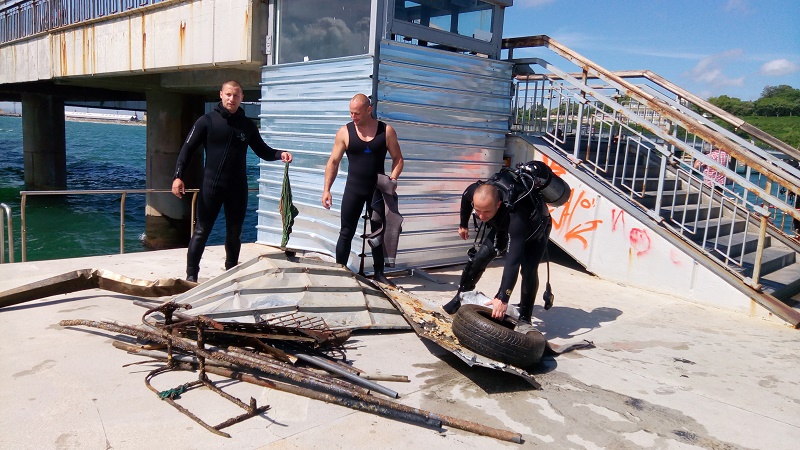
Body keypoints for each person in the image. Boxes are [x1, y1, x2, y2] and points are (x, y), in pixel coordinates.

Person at [172, 80, 293, 282]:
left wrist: (280, 154)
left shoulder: (247, 125)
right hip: (212, 186)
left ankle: (231, 273)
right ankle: (191, 276)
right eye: (228, 94)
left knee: (234, 233)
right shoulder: (207, 121)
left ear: (242, 98)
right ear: (221, 94)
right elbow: (187, 149)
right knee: (202, 231)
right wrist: (178, 176)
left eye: (236, 95)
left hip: (237, 188)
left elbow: (263, 151)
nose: (232, 99)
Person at [443, 162, 566, 332]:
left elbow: (512, 261)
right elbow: (465, 198)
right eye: (477, 210)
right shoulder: (476, 192)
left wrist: (502, 297)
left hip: (534, 232)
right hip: (501, 225)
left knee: (528, 270)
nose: (481, 216)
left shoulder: (517, 216)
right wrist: (463, 224)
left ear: (499, 204)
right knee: (479, 259)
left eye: (486, 212)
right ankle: (460, 297)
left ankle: (525, 317)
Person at [321, 94, 404, 285]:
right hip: (354, 189)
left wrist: (393, 178)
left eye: (357, 113)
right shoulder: (345, 132)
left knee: (378, 231)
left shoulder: (386, 131)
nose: (353, 117)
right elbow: (333, 162)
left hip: (377, 190)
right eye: (351, 113)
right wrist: (327, 189)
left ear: (369, 110)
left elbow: (398, 158)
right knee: (346, 231)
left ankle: (379, 273)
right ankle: (340, 271)